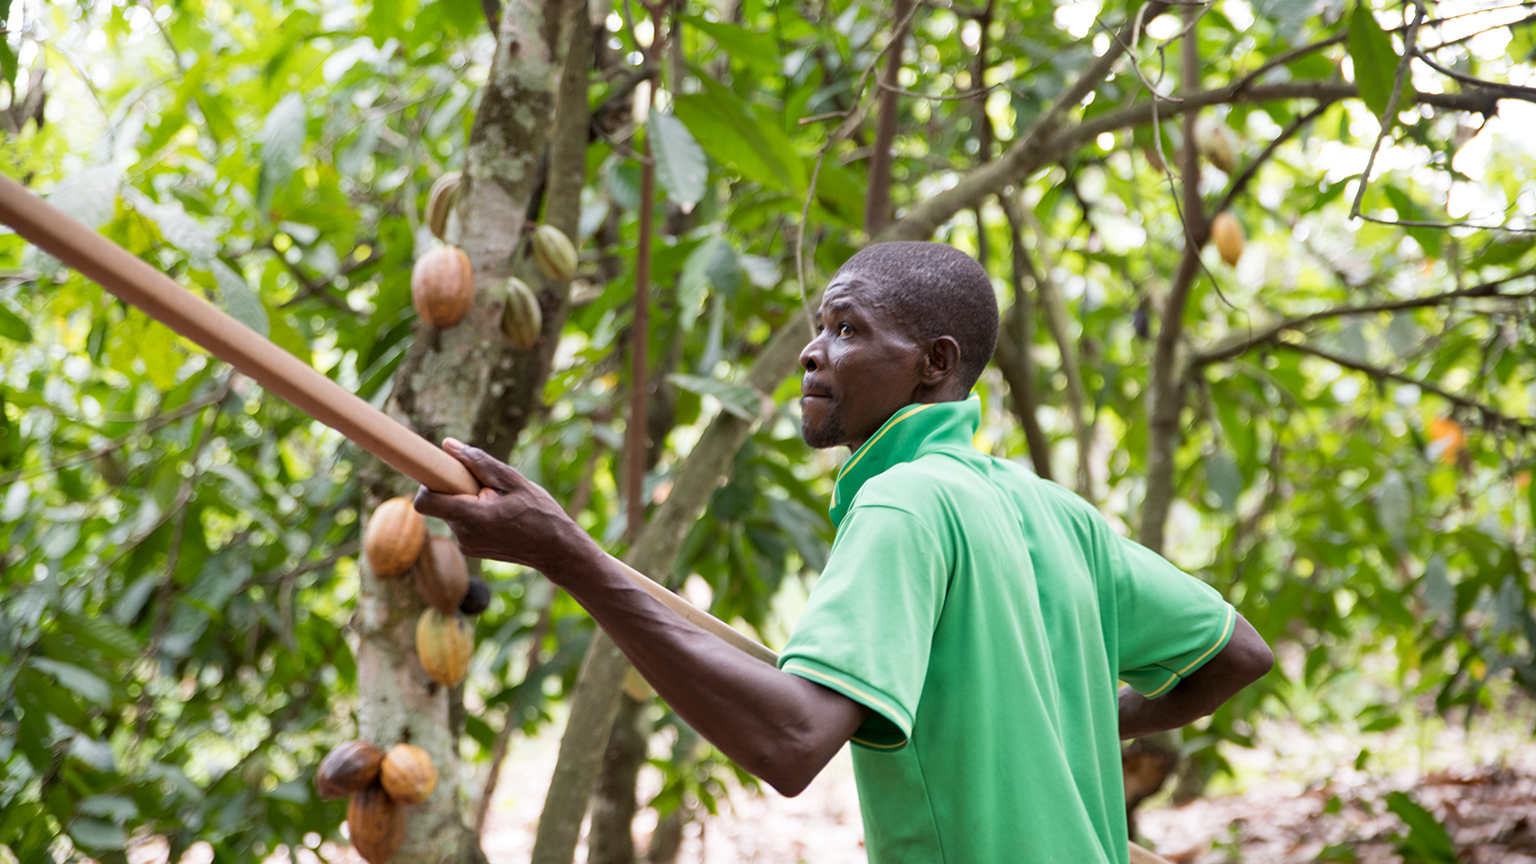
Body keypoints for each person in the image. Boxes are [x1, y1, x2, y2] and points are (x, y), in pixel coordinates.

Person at [415, 241, 1273, 864]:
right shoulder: (1058, 514)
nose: (811, 351)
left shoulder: (906, 501)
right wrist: (1079, 721)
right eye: (819, 326)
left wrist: (570, 558)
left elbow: (791, 739)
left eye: (847, 328)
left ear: (932, 364)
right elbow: (1237, 652)